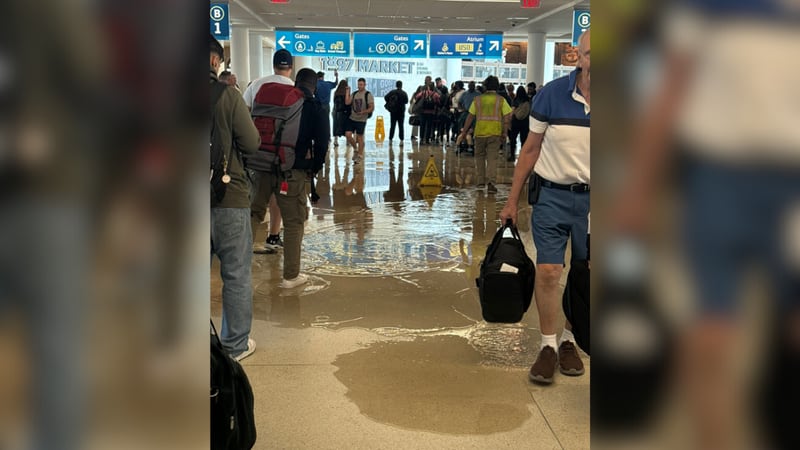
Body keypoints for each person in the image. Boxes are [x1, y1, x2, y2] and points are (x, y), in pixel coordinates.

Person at [499, 30, 590, 385]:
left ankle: (570, 340)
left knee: (586, 274)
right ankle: (548, 345)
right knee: (550, 271)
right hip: (552, 195)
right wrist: (512, 199)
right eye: (589, 54)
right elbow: (530, 149)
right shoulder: (552, 95)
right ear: (578, 57)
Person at [248, 68, 329, 289]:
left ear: (296, 82)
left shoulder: (277, 103)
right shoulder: (314, 108)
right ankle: (291, 277)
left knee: (254, 215)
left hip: (261, 166)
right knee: (294, 221)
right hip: (291, 172)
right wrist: (314, 168)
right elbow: (322, 144)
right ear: (315, 86)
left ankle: (238, 268)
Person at [210, 35, 261, 361]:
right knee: (236, 274)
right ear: (215, 61)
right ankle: (234, 346)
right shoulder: (228, 96)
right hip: (227, 195)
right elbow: (252, 143)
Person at [244, 49, 295, 254]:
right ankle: (273, 237)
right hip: (283, 155)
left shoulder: (257, 84)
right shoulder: (295, 88)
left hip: (257, 151)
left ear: (273, 66)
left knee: (255, 198)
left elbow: (244, 114)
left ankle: (242, 243)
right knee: (278, 194)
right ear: (290, 68)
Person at [459, 75, 511, 194]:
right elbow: (507, 117)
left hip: (479, 133)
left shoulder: (478, 99)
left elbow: (470, 117)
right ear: (497, 86)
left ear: (485, 86)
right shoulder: (500, 100)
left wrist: (464, 132)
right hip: (495, 133)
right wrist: (505, 132)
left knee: (480, 157)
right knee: (492, 158)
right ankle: (491, 183)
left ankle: (480, 182)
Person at [344, 77, 374, 161]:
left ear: (364, 85)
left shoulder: (368, 94)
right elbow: (347, 102)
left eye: (361, 84)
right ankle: (355, 148)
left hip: (361, 119)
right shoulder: (354, 94)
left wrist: (364, 112)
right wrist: (347, 92)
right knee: (348, 134)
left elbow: (372, 107)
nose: (359, 86)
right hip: (352, 118)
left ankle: (360, 154)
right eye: (358, 84)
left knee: (360, 137)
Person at [507, 85, 531, 161]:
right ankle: (523, 156)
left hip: (515, 122)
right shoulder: (528, 101)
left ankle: (512, 156)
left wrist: (509, 121)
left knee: (513, 139)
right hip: (525, 123)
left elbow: (512, 111)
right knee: (523, 140)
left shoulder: (515, 100)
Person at [384, 80, 409, 144]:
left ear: (396, 85)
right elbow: (406, 101)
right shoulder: (404, 93)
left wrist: (390, 102)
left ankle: (390, 139)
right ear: (401, 85)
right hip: (401, 112)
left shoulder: (392, 92)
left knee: (392, 126)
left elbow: (385, 97)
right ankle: (401, 140)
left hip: (393, 112)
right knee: (401, 126)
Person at [332, 80, 349, 148]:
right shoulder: (346, 93)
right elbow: (348, 103)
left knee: (336, 126)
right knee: (346, 127)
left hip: (336, 112)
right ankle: (347, 141)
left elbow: (334, 102)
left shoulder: (336, 92)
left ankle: (335, 141)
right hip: (344, 112)